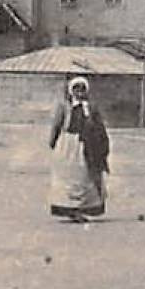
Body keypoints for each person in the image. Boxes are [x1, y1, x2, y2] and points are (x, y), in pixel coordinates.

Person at [49, 76, 109, 222]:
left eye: (82, 89)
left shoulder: (91, 107)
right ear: (71, 91)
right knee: (68, 177)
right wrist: (53, 141)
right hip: (68, 145)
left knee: (85, 177)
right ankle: (68, 208)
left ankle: (83, 208)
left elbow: (100, 126)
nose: (79, 92)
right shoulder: (64, 106)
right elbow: (56, 125)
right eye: (76, 89)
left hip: (87, 145)